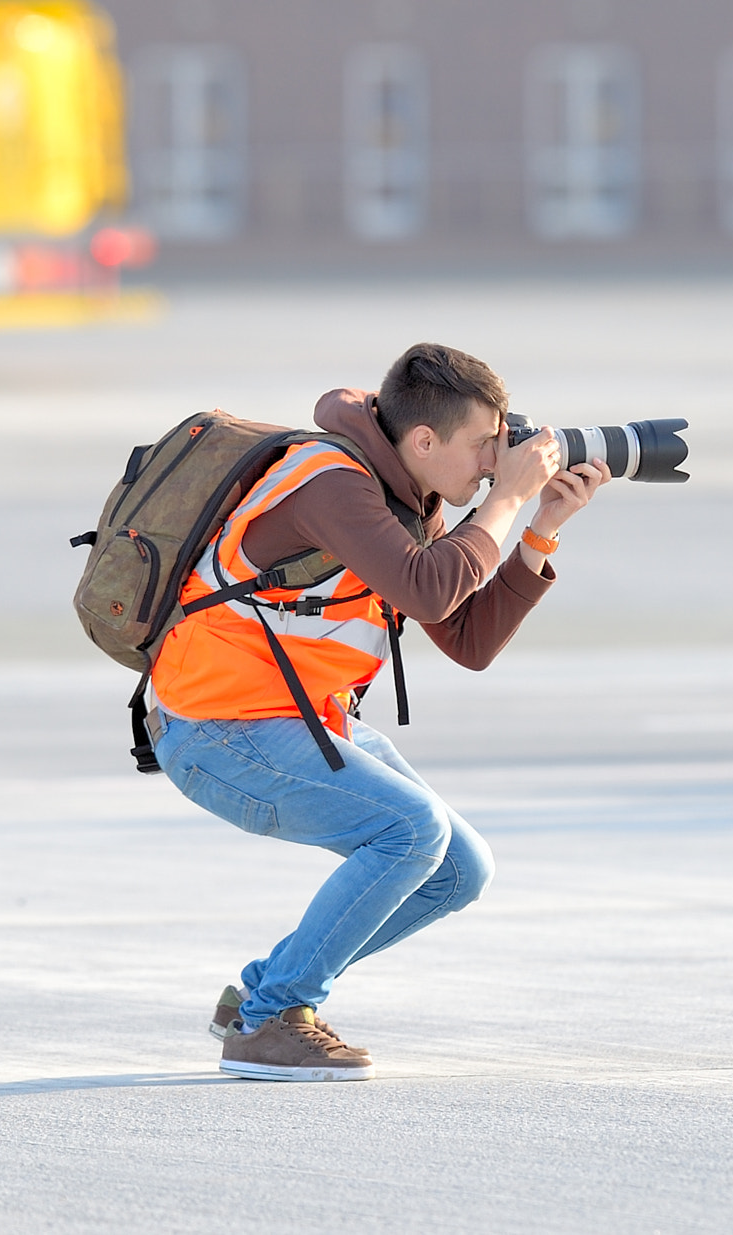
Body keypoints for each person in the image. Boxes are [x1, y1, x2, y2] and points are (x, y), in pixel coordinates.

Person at [146, 342, 611, 1080]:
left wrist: (539, 526)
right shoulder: (333, 484)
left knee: (459, 868)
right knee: (409, 830)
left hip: (292, 718)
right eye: (482, 446)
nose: (494, 461)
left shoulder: (403, 487)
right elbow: (430, 590)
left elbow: (466, 638)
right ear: (423, 440)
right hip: (215, 726)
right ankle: (273, 1018)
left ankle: (259, 994)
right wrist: (506, 500)